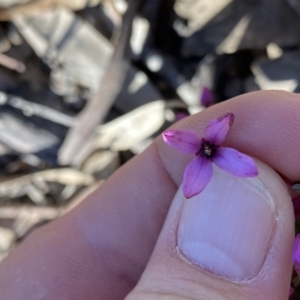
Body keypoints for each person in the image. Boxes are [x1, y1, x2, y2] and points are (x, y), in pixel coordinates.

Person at [0, 90, 295, 300]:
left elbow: (221, 128)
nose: (204, 148)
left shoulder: (210, 148)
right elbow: (183, 156)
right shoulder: (199, 156)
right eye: (202, 147)